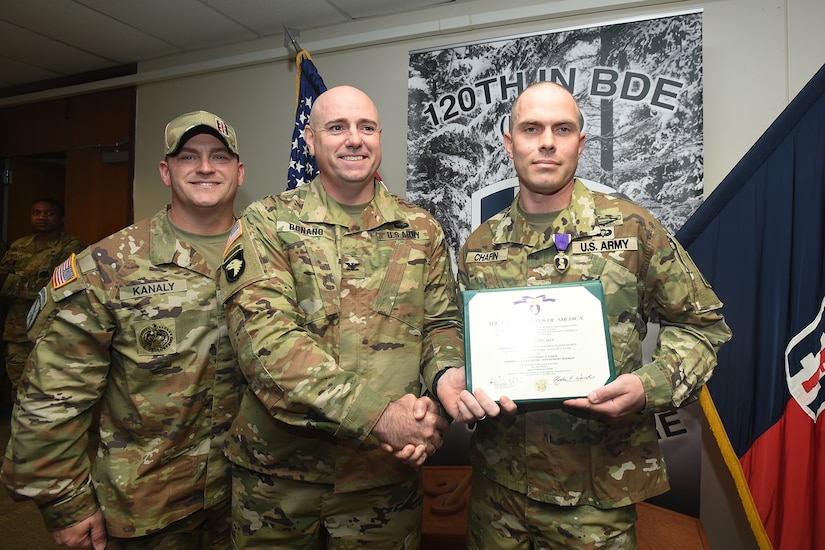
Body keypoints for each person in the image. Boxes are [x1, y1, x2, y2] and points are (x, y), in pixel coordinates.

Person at [442, 81, 733, 549]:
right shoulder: (479, 247)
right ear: (509, 142)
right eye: (531, 128)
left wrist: (647, 386)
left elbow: (702, 325)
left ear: (581, 142)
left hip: (597, 495)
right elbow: (457, 336)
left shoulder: (632, 228)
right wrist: (455, 374)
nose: (546, 142)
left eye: (562, 129)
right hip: (499, 491)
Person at [219, 85, 462, 548]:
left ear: (379, 137)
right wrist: (380, 417)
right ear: (310, 140)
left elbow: (441, 325)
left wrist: (443, 385)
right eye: (337, 127)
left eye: (366, 127)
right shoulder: (266, 222)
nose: (355, 139)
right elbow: (268, 346)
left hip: (385, 477)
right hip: (280, 479)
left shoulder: (422, 228)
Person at [1, 110, 247, 549]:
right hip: (149, 507)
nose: (205, 167)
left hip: (250, 499)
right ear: (165, 171)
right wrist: (66, 504)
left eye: (220, 157)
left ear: (239, 171)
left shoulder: (272, 257)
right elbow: (52, 398)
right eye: (188, 156)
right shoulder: (106, 266)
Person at [0, 198, 84, 390]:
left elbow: (59, 287)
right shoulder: (19, 245)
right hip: (17, 331)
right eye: (36, 213)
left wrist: (10, 283)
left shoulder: (72, 247)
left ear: (61, 218)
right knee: (18, 387)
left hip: (51, 329)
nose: (42, 217)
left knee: (48, 389)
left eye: (49, 213)